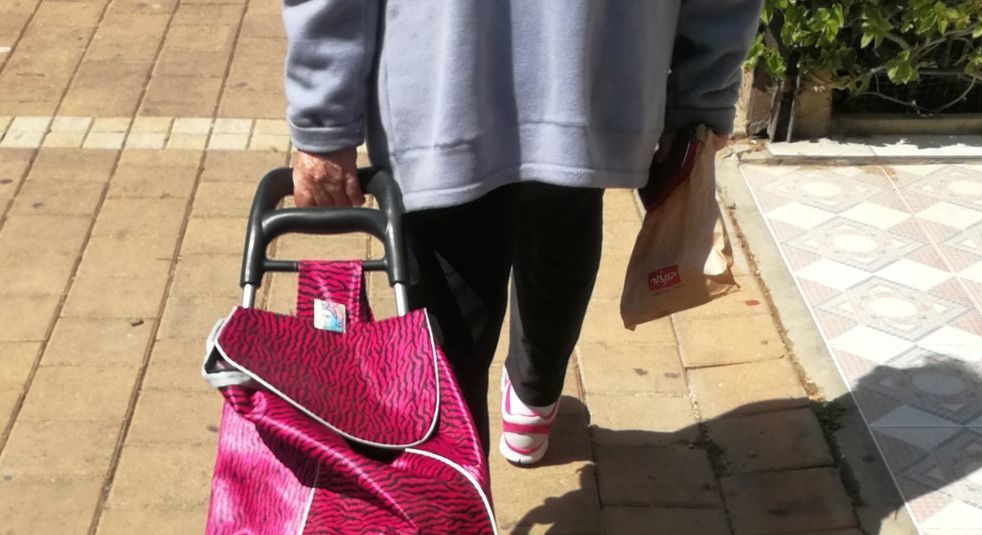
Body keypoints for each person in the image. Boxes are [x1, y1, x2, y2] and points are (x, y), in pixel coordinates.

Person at [281, 0, 763, 463]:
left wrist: (324, 118)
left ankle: (453, 522)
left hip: (443, 76)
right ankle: (533, 398)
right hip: (594, 63)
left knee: (449, 337)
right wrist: (702, 93)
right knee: (566, 203)